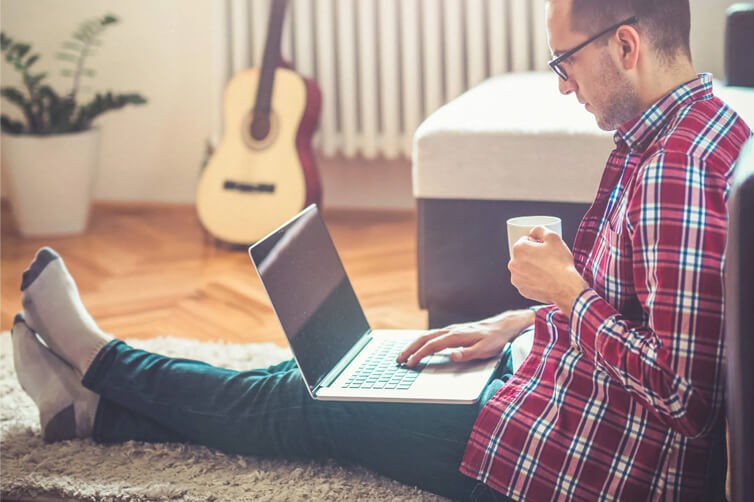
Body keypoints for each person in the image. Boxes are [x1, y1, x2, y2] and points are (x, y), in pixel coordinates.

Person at [11, 0, 752, 500]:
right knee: (326, 375)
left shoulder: (676, 175)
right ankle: (93, 417)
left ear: (625, 46)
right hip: (563, 389)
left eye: (567, 62)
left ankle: (101, 361)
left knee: (315, 403)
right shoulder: (697, 129)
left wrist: (565, 293)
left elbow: (686, 399)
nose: (562, 87)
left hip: (586, 456)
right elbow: (650, 318)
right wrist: (516, 326)